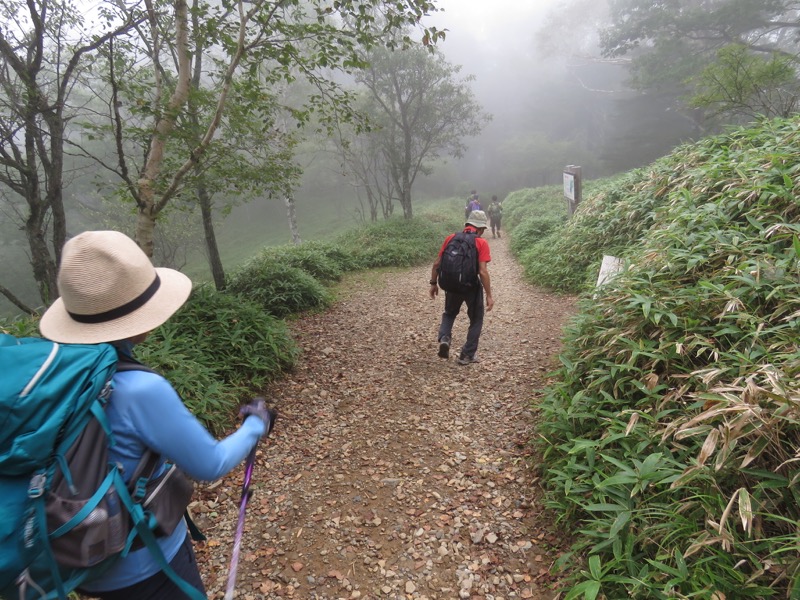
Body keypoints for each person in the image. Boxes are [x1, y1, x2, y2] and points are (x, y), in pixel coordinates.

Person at [38, 230, 275, 600]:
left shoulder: (51, 376)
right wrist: (255, 424)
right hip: (146, 565)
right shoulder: (139, 389)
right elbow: (209, 464)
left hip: (77, 558)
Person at [429, 211, 494, 365]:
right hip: (470, 286)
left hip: (451, 284)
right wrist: (489, 295)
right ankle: (467, 354)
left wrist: (433, 283)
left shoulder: (450, 238)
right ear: (479, 228)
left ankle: (445, 338)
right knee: (476, 318)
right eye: (483, 230)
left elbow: (437, 263)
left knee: (450, 313)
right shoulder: (481, 243)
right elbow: (482, 271)